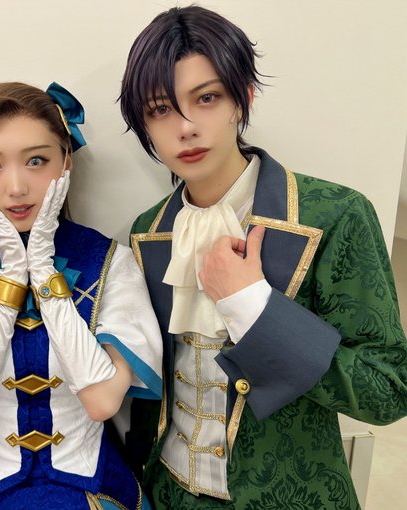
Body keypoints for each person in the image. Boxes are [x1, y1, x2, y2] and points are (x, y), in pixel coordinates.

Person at [118, 5, 407, 509]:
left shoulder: (334, 214)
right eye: (160, 109)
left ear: (243, 98)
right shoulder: (148, 232)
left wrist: (253, 306)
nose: (185, 127)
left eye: (206, 98)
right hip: (165, 496)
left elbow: (388, 392)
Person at [0, 81, 163, 509]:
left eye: (36, 161)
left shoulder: (109, 261)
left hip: (94, 487)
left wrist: (44, 272)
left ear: (66, 162)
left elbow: (102, 401)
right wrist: (11, 278)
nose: (16, 187)